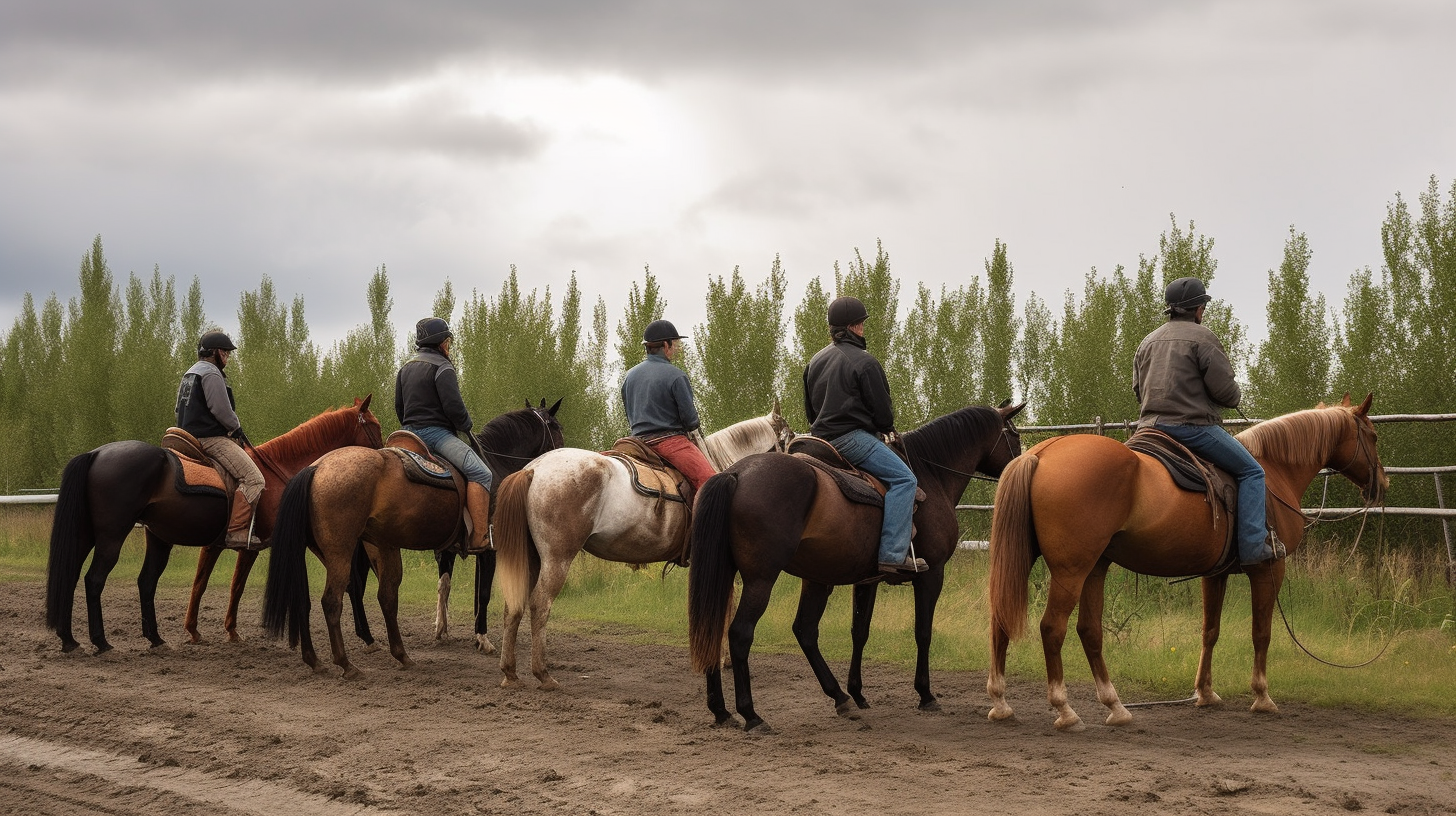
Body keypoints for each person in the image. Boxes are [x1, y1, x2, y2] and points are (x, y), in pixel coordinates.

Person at [1133, 277, 1284, 566]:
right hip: (1192, 429)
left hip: (1148, 430)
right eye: (1203, 306)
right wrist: (1234, 397)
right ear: (1198, 308)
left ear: (1172, 309)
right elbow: (1225, 392)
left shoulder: (1147, 341)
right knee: (1253, 472)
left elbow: (1138, 391)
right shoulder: (1204, 338)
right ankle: (1253, 547)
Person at [803, 296, 925, 574]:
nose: (863, 328)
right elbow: (883, 414)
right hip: (853, 440)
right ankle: (893, 555)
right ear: (855, 327)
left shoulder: (814, 361)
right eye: (862, 324)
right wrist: (884, 428)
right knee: (905, 480)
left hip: (819, 442)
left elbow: (810, 411)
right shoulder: (865, 362)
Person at [395, 317, 493, 554]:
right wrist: (467, 426)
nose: (449, 346)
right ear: (441, 343)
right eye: (448, 341)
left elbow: (399, 407)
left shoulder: (405, 368)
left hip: (406, 434)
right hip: (436, 435)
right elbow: (453, 407)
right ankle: (479, 537)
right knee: (481, 472)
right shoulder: (443, 367)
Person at [175, 330, 266, 549]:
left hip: (185, 438)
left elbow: (178, 409)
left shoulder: (189, 374)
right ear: (215, 353)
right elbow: (221, 410)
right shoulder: (212, 373)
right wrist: (236, 428)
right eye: (225, 352)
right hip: (211, 440)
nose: (227, 357)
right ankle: (236, 532)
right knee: (254, 479)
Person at [620, 319, 716, 496]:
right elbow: (691, 420)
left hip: (636, 443)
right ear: (666, 345)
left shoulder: (629, 376)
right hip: (669, 443)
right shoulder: (676, 376)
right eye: (676, 343)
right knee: (711, 484)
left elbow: (629, 414)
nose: (677, 348)